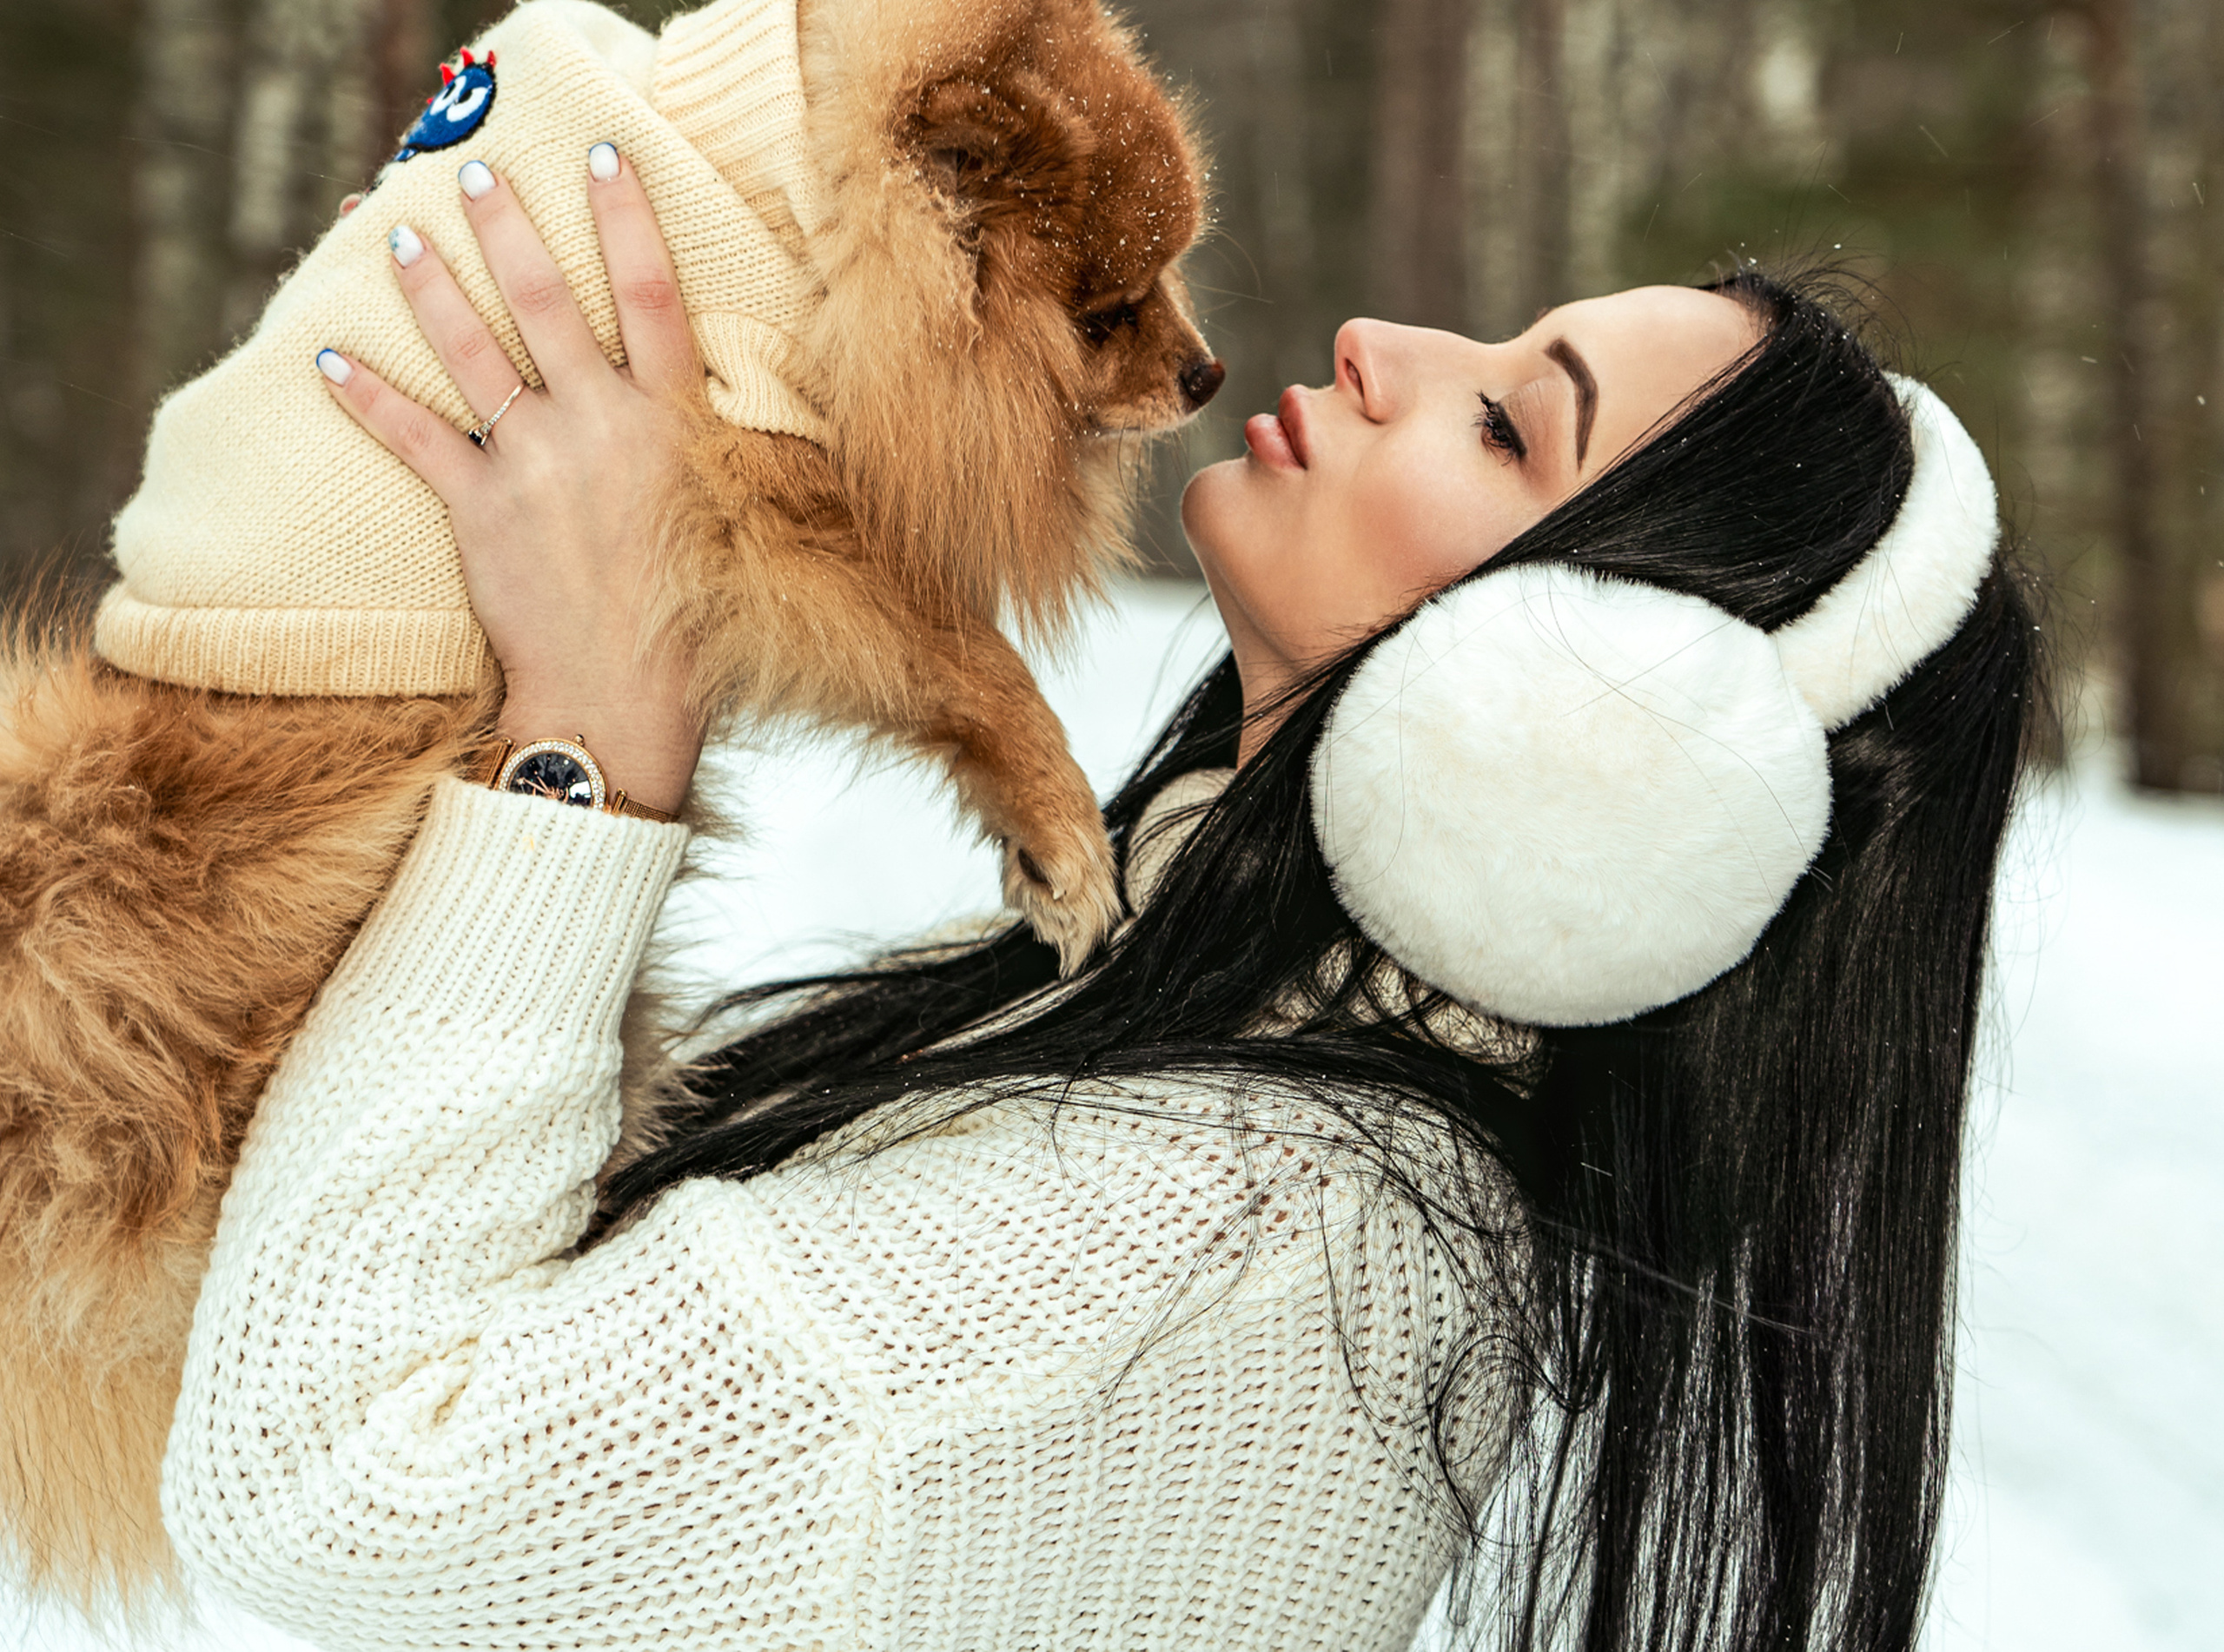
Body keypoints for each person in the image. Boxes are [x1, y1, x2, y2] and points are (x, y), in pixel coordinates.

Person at [162, 145, 2042, 1652]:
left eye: (1502, 426)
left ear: (1598, 727)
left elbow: (337, 1470)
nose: (1386, 340)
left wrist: (586, 732)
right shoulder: (1218, 1044)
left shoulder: (1230, 1240)